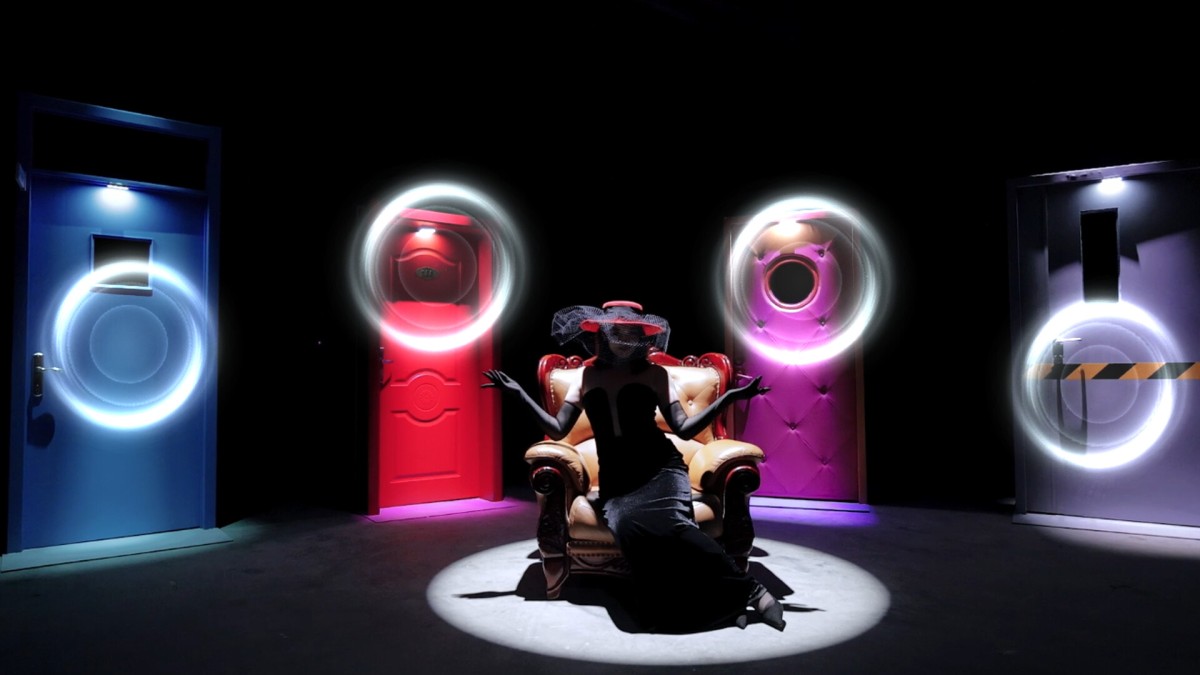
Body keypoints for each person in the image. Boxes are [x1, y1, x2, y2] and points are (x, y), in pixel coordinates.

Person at [483, 300, 785, 632]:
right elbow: (557, 430)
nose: (623, 340)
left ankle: (750, 590)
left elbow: (684, 429)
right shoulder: (585, 377)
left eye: (631, 334)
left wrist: (727, 398)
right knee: (629, 528)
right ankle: (722, 601)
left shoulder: (655, 374)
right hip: (618, 480)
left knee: (673, 526)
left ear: (642, 338)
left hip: (661, 469)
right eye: (617, 332)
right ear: (603, 335)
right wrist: (518, 394)